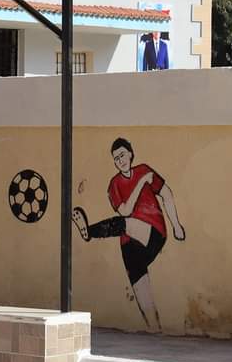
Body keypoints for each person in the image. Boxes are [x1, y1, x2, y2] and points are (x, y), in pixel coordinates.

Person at [72, 138, 186, 332]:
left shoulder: (144, 170)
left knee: (123, 223)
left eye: (122, 155)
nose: (120, 160)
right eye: (116, 158)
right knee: (143, 294)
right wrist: (141, 183)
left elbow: (166, 194)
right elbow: (125, 210)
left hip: (153, 232)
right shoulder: (114, 185)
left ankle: (89, 232)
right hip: (129, 245)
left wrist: (176, 226)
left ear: (131, 154)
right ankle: (155, 330)